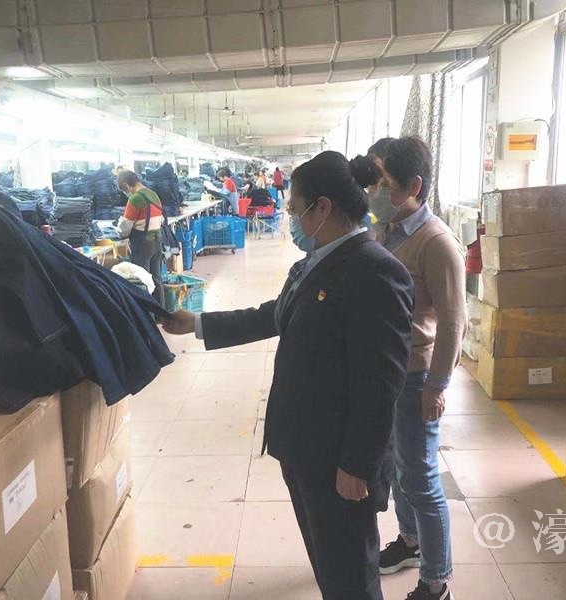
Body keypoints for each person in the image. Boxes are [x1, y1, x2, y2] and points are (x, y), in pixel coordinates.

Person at [162, 151, 415, 600]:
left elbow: (381, 384)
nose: (291, 219)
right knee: (329, 566)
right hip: (304, 447)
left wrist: (357, 466)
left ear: (323, 208)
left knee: (351, 577)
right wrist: (197, 324)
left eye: (295, 209)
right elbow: (274, 315)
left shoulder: (374, 270)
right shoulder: (313, 262)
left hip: (339, 461)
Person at [363, 137, 466, 600]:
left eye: (383, 183)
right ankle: (409, 542)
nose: (375, 193)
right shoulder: (385, 231)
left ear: (414, 185)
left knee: (421, 478)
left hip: (416, 375)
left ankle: (436, 581)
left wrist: (437, 386)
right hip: (387, 373)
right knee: (400, 469)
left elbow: (453, 321)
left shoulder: (436, 242)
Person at [116, 170, 165, 306]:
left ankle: (146, 315)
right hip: (157, 240)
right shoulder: (153, 194)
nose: (126, 193)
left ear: (126, 185)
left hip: (143, 244)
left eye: (124, 190)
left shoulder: (135, 199)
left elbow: (126, 227)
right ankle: (161, 312)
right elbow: (161, 219)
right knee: (156, 279)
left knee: (142, 281)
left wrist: (118, 231)